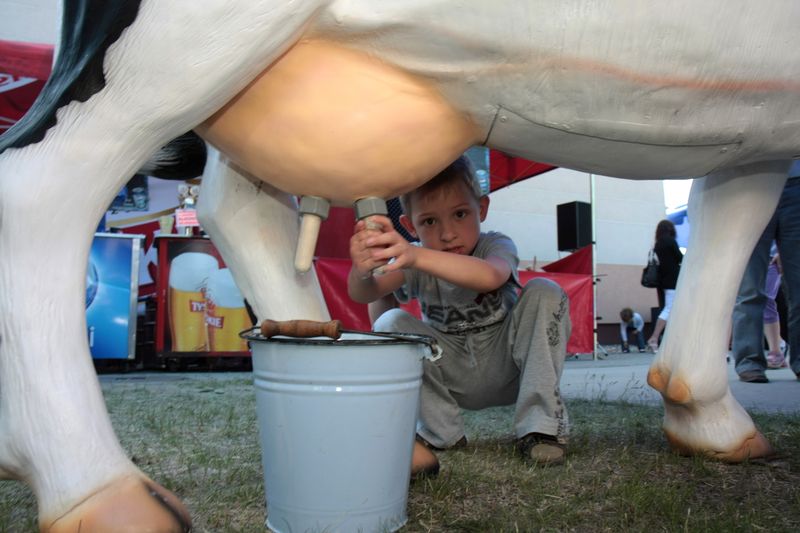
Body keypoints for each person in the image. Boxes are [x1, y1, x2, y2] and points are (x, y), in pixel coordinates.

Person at [348, 156, 571, 476]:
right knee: (388, 323)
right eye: (429, 222)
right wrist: (363, 268)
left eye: (460, 214)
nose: (448, 233)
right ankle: (441, 434)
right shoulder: (414, 258)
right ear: (410, 225)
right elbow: (364, 293)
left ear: (482, 208)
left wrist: (417, 254)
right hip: (449, 371)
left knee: (544, 290)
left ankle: (541, 428)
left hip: (509, 366)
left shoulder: (494, 244)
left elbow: (491, 276)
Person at [732, 165, 800, 383]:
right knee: (750, 288)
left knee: (799, 289)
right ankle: (749, 361)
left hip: (796, 185)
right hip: (754, 183)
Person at [646, 219, 683, 351]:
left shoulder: (658, 244)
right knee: (669, 309)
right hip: (673, 281)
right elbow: (680, 258)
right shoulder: (670, 241)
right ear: (670, 229)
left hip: (663, 282)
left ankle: (669, 340)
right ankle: (654, 337)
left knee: (671, 309)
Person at [763, 244, 788, 369]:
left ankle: (776, 350)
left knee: (766, 299)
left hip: (772, 256)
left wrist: (780, 250)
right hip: (744, 255)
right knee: (742, 302)